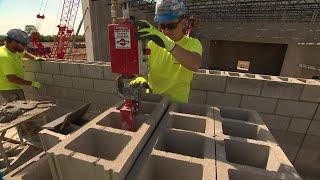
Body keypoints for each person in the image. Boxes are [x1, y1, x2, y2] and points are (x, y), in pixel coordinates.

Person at [133, 0, 202, 103]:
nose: (165, 31)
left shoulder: (193, 44)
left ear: (183, 22)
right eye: (162, 26)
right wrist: (141, 79)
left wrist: (169, 45)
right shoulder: (152, 44)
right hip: (154, 102)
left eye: (170, 26)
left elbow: (195, 64)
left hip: (177, 106)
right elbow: (143, 69)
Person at [0, 29, 44, 104]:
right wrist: (32, 83)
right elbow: (12, 78)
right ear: (13, 42)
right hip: (8, 90)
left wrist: (34, 58)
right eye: (23, 44)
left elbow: (24, 53)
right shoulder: (5, 57)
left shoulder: (14, 50)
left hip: (15, 87)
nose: (25, 47)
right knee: (19, 112)